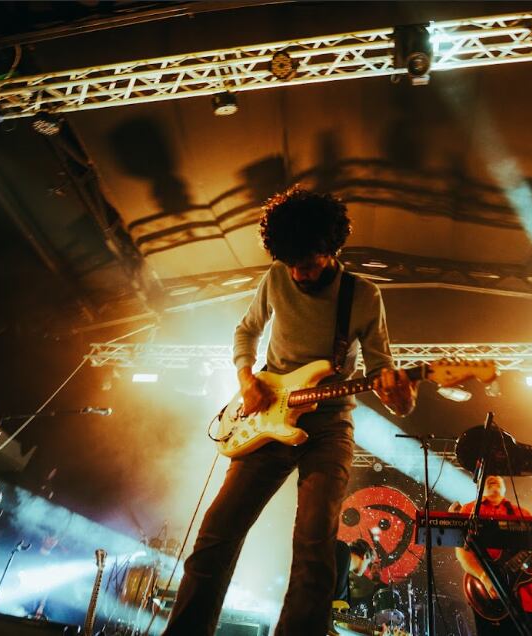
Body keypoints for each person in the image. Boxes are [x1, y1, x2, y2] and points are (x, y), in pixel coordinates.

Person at [164, 187, 416, 636]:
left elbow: (382, 371)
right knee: (216, 534)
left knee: (315, 545)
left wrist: (399, 393)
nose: (299, 273)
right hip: (267, 415)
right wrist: (248, 379)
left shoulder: (363, 295)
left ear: (331, 248)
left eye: (309, 262)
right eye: (291, 262)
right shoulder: (277, 276)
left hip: (330, 424)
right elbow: (246, 332)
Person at [450, 476, 532, 635]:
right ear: (480, 485)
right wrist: (484, 577)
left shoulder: (521, 513)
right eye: (488, 477)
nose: (492, 477)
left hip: (527, 597)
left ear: (504, 487)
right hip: (488, 596)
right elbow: (462, 551)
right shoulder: (470, 509)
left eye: (497, 477)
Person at [333, 538, 374, 608]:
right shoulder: (342, 549)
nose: (365, 569)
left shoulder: (345, 577)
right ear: (365, 556)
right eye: (367, 564)